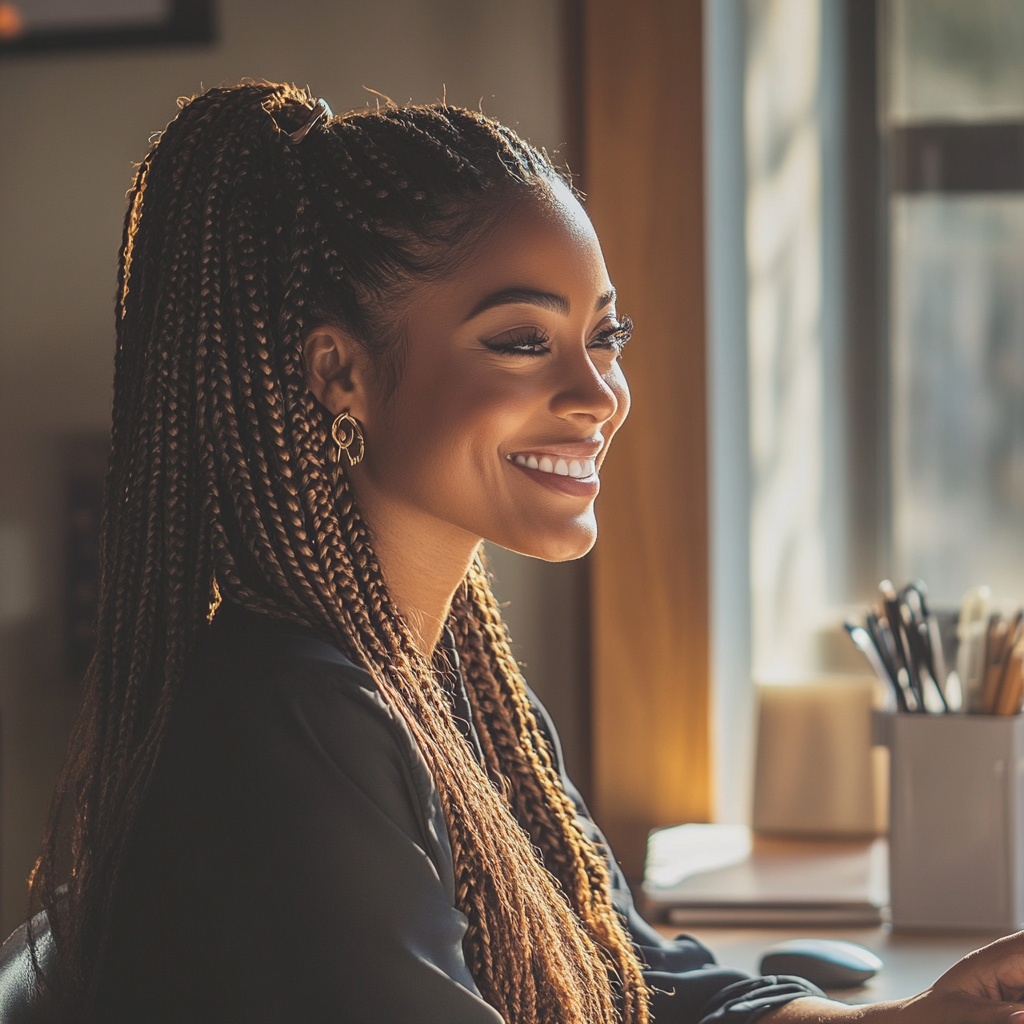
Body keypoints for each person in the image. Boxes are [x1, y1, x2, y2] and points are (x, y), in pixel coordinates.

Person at [22, 81, 1024, 1023]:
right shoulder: (292, 722)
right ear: (341, 372)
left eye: (606, 334)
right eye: (520, 340)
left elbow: (627, 969)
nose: (599, 395)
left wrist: (890, 1017)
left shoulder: (441, 671)